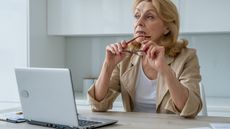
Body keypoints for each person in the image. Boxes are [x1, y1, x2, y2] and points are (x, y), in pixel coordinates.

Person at [88, 0, 202, 118]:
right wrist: (108, 65)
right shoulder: (125, 56)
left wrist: (164, 69)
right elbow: (97, 105)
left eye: (149, 17)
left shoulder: (187, 57)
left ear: (167, 28)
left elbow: (190, 110)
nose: (139, 22)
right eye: (137, 16)